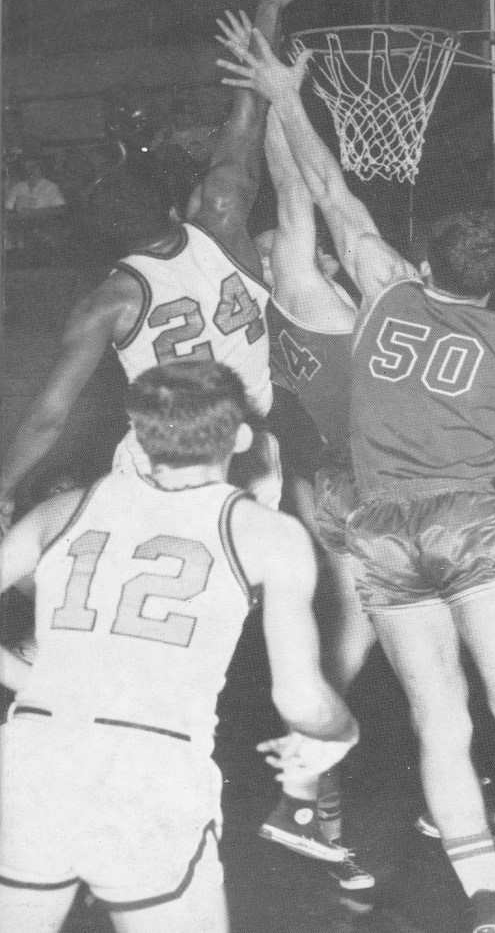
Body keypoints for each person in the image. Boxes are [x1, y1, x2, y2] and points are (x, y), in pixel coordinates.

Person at [218, 31, 495, 933]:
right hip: (470, 519)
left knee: (440, 719)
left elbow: (328, 193)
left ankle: (484, 900)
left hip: (381, 526)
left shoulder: (382, 291)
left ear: (427, 265)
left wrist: (286, 95)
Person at [0, 360, 359, 933]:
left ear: (137, 436)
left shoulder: (61, 511)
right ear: (242, 438)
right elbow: (299, 699)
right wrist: (341, 733)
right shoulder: (269, 535)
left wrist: (32, 680)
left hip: (31, 758)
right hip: (150, 771)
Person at [0, 0, 329, 533]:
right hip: (247, 452)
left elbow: (50, 415)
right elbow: (248, 115)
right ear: (174, 207)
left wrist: (1, 486)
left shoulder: (109, 300)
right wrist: (270, 7)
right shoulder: (223, 221)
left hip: (160, 461)